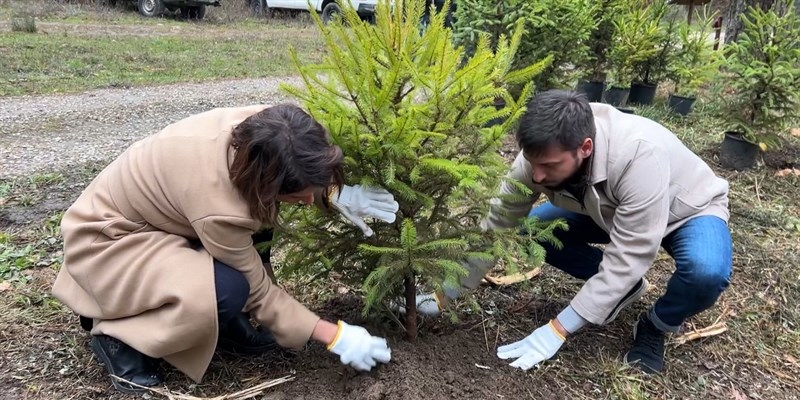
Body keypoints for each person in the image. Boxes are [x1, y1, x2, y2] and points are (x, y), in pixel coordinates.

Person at [51, 103, 400, 394]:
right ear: (266, 183)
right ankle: (119, 335)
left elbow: (294, 169)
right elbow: (259, 292)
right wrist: (335, 336)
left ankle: (225, 328)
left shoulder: (273, 134)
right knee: (231, 289)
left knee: (258, 232)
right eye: (298, 196)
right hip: (109, 244)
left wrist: (335, 193)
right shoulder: (220, 206)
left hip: (161, 225)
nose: (308, 201)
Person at [404, 89, 732, 374]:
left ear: (585, 148)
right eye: (533, 164)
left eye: (550, 166)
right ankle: (622, 290)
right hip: (607, 211)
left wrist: (558, 329)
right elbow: (498, 223)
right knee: (533, 230)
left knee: (706, 273)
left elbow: (630, 254)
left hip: (686, 210)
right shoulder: (539, 157)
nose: (539, 175)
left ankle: (656, 324)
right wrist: (446, 293)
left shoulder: (638, 155)